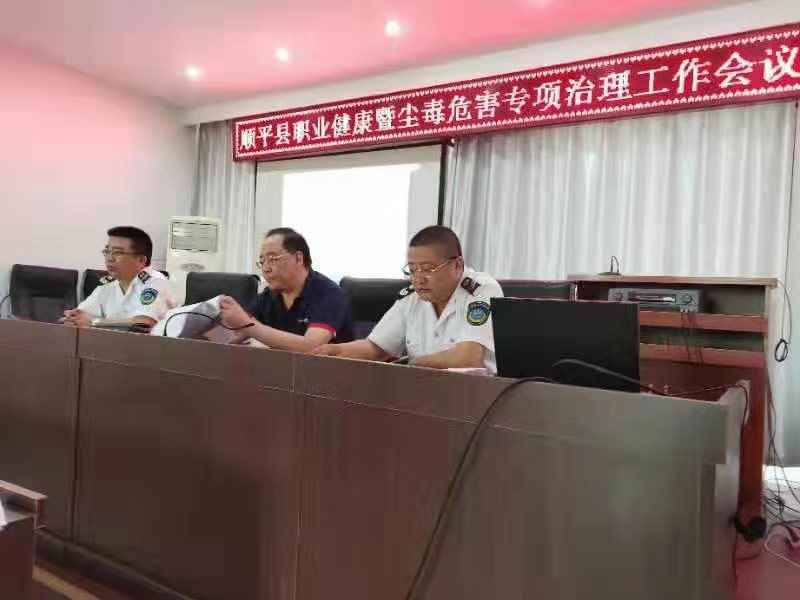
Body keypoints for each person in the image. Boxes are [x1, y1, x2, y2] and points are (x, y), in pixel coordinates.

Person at [314, 226, 502, 373]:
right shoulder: (412, 297)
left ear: (457, 265)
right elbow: (375, 348)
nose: (418, 279)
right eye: (412, 270)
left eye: (428, 269)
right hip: (422, 392)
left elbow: (467, 359)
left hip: (476, 397)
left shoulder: (480, 290)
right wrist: (336, 351)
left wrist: (412, 364)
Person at [218, 227, 354, 351]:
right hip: (282, 367)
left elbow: (312, 347)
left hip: (326, 369)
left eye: (272, 259)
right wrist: (224, 318)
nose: (266, 268)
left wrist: (248, 325)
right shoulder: (269, 296)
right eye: (262, 261)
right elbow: (237, 333)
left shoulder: (329, 294)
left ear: (298, 258)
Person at [63, 226, 176, 329]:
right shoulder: (107, 287)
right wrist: (73, 318)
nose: (109, 258)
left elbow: (143, 324)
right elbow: (81, 315)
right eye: (107, 251)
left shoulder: (155, 282)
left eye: (117, 253)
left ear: (141, 260)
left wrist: (94, 323)